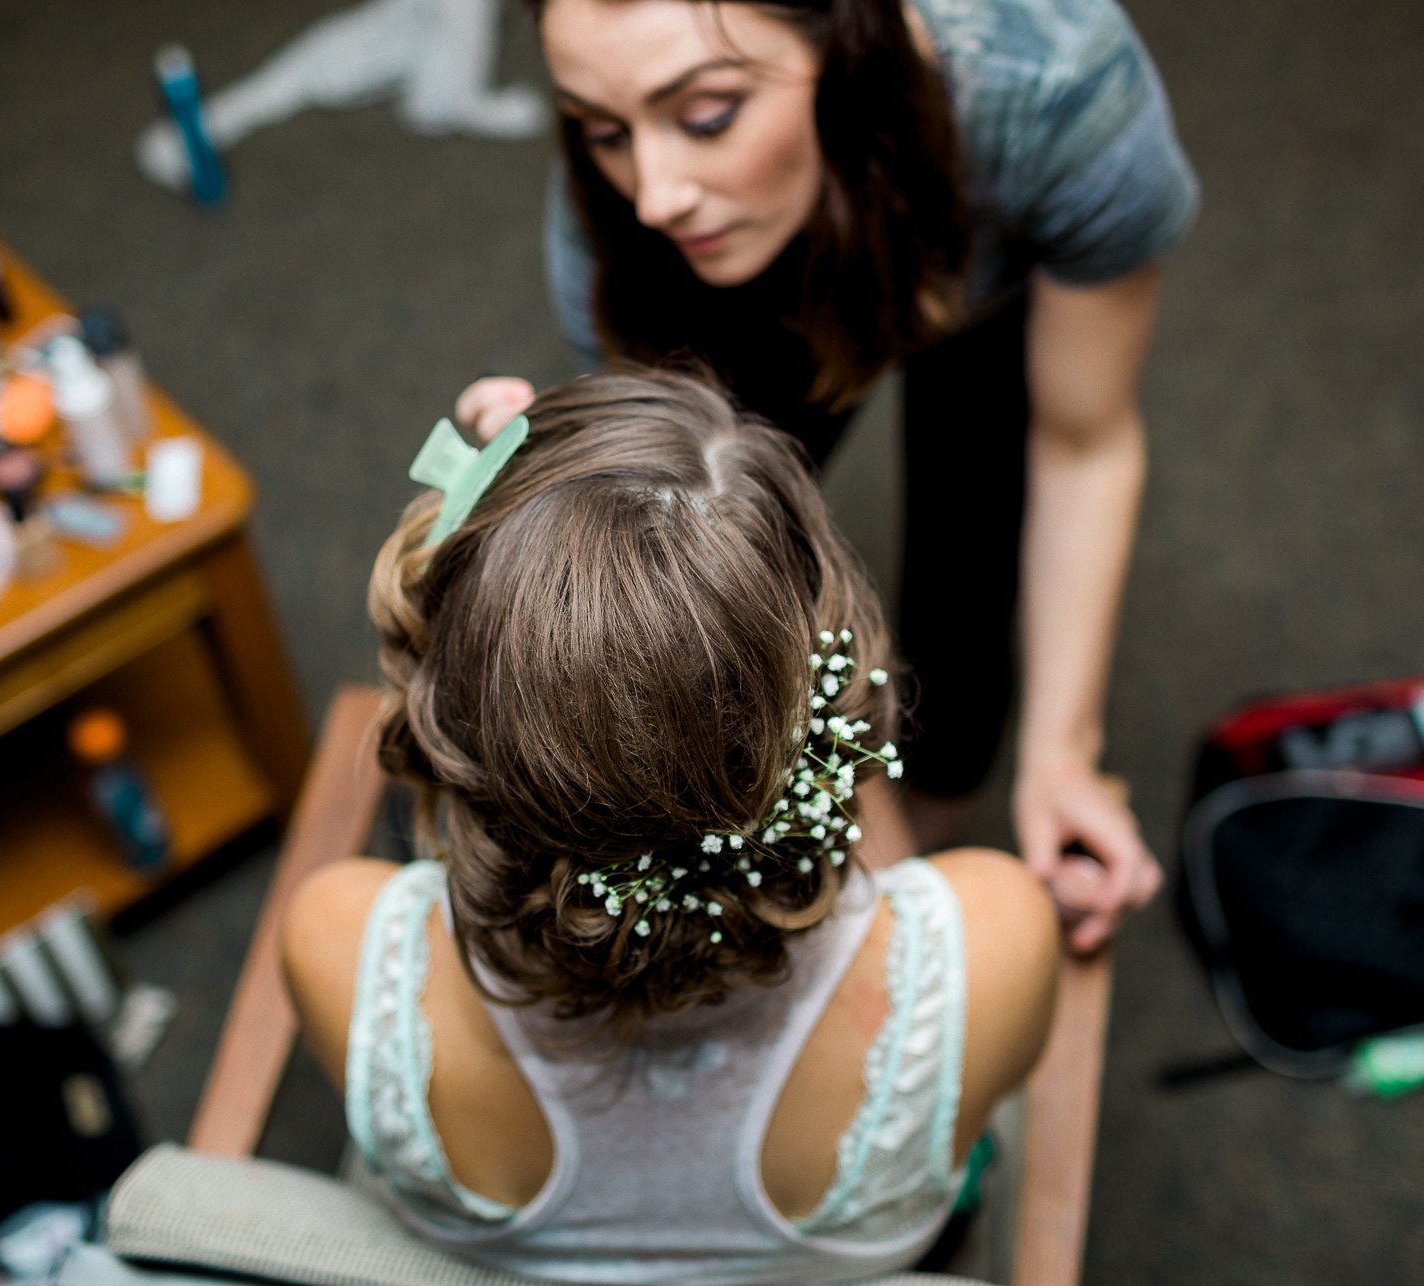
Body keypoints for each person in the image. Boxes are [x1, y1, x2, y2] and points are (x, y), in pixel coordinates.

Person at [285, 372, 1059, 1283]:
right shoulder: (994, 940)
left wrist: (547, 569)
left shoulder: (337, 943)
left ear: (449, 715)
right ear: (829, 691)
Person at [455, 0, 1197, 951]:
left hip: (984, 247)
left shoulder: (1059, 94)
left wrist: (1064, 756)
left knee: (973, 550)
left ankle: (938, 800)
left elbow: (1082, 443)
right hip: (754, 270)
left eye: (707, 114)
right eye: (601, 130)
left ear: (850, 38)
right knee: (715, 552)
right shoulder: (642, 213)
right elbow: (691, 567)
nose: (653, 194)